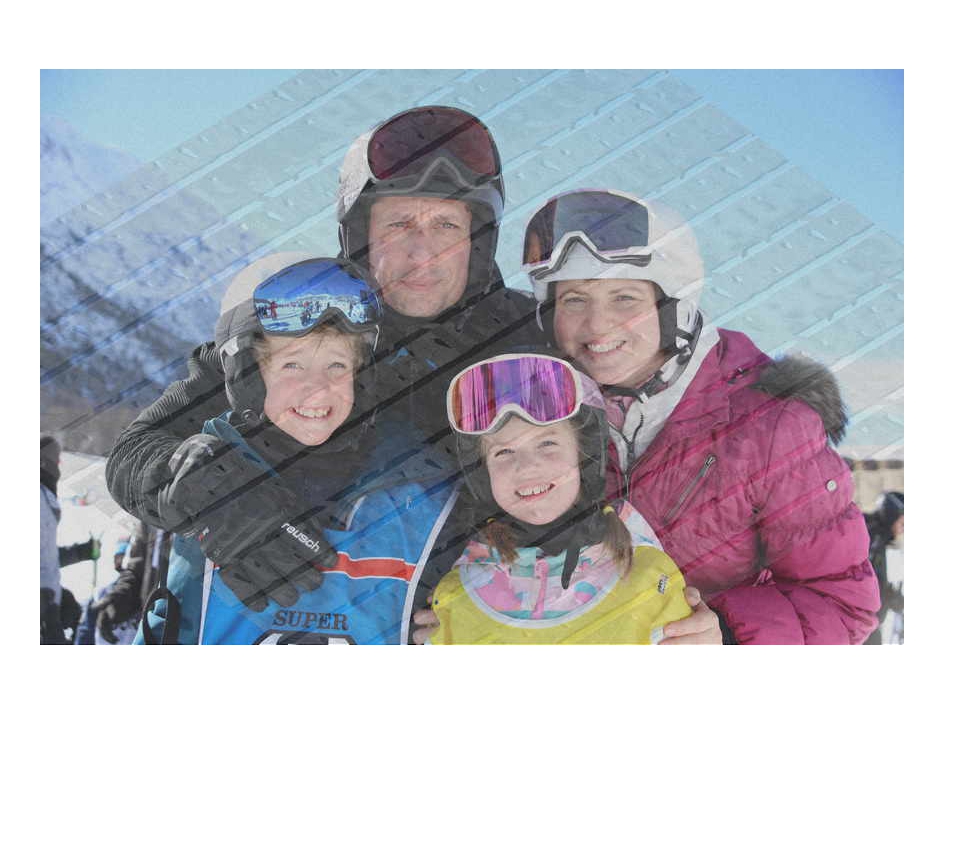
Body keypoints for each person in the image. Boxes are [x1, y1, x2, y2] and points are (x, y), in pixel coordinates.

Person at [105, 106, 541, 613]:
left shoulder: (530, 340)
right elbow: (135, 451)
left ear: (478, 241)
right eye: (399, 224)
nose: (422, 254)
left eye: (446, 225)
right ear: (359, 238)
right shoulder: (296, 316)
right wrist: (216, 494)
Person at [506, 188, 879, 644]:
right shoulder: (531, 412)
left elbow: (842, 604)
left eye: (624, 298)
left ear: (673, 307)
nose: (597, 325)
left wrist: (726, 636)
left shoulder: (771, 429)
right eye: (574, 300)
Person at [135, 254, 460, 644]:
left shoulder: (417, 487)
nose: (318, 388)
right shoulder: (205, 480)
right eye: (292, 365)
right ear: (249, 375)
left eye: (337, 366)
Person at [429, 354, 691, 643]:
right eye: (503, 452)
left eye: (547, 443)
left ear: (584, 456)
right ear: (483, 474)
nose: (527, 467)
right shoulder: (459, 593)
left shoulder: (647, 578)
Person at [40, 435, 100, 644]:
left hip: (48, 601)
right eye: (56, 460)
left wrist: (80, 552)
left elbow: (44, 555)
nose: (59, 466)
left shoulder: (45, 496)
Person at [75, 540, 140, 645]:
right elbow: (85, 633)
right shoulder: (101, 594)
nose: (123, 562)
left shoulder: (147, 593)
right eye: (119, 557)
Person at [864, 491, 904, 645]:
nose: (903, 529)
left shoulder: (879, 538)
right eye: (902, 523)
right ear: (891, 516)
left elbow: (877, 580)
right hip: (862, 624)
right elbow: (866, 581)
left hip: (869, 624)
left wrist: (891, 596)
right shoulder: (872, 538)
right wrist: (888, 597)